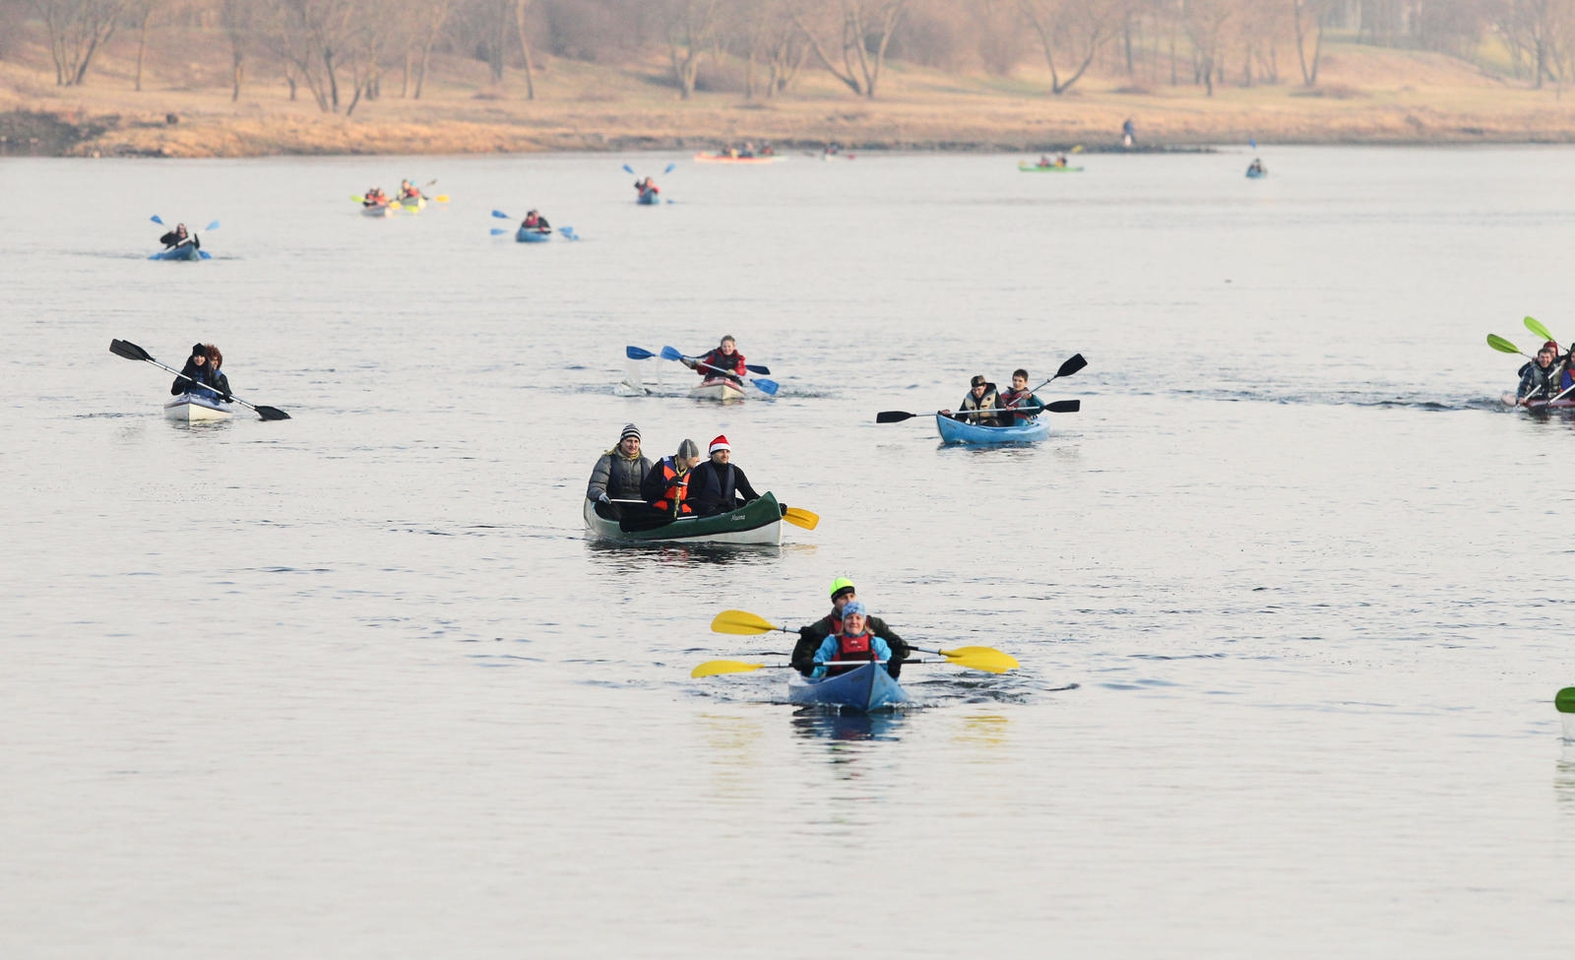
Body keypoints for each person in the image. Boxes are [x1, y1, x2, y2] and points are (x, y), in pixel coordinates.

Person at [792, 578, 910, 679]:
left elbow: (904, 653)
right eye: (843, 598)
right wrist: (805, 642)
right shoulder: (822, 630)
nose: (849, 601)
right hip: (836, 680)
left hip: (871, 679)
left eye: (851, 596)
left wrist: (896, 650)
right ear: (834, 601)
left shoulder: (876, 629)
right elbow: (798, 663)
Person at [806, 601, 898, 680]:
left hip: (871, 682)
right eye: (849, 617)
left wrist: (894, 670)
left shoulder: (878, 643)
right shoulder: (831, 642)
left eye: (858, 618)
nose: (854, 621)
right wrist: (809, 668)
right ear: (843, 621)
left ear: (864, 622)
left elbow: (889, 678)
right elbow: (817, 672)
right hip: (839, 684)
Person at [587, 423, 653, 519]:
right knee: (601, 506)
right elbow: (595, 485)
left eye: (636, 441)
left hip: (639, 504)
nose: (633, 445)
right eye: (629, 441)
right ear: (621, 442)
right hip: (613, 504)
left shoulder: (647, 463)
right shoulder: (607, 460)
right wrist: (600, 495)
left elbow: (656, 488)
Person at [687, 435, 762, 517]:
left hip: (731, 515)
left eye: (727, 451)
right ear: (712, 454)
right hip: (706, 516)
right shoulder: (700, 471)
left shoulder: (736, 471)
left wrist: (770, 504)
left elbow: (751, 496)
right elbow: (691, 499)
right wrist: (708, 509)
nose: (725, 455)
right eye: (721, 452)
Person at [642, 438, 702, 517]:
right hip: (661, 513)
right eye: (696, 457)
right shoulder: (662, 466)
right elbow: (646, 493)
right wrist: (667, 485)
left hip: (685, 514)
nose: (698, 460)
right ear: (687, 457)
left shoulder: (695, 472)